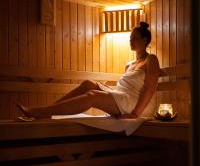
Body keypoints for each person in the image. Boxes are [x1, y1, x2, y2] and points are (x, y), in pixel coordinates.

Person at [17, 22, 160, 119]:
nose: (131, 41)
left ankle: (42, 112)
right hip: (122, 95)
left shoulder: (151, 59)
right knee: (88, 84)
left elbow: (150, 89)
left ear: (145, 39)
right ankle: (49, 110)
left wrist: (135, 114)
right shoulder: (129, 64)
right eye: (130, 38)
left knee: (93, 95)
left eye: (135, 38)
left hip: (137, 104)